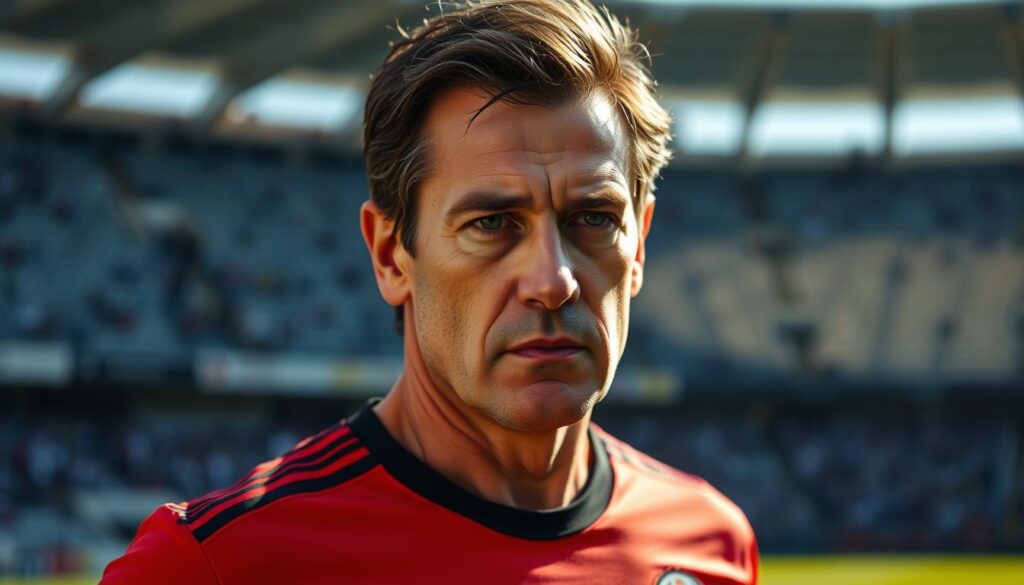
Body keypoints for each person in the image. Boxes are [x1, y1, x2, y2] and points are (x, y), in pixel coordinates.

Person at [101, 0, 758, 583]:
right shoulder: (216, 564)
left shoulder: (711, 541)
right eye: (492, 223)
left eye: (593, 218)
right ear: (392, 255)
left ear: (638, 246)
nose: (554, 281)